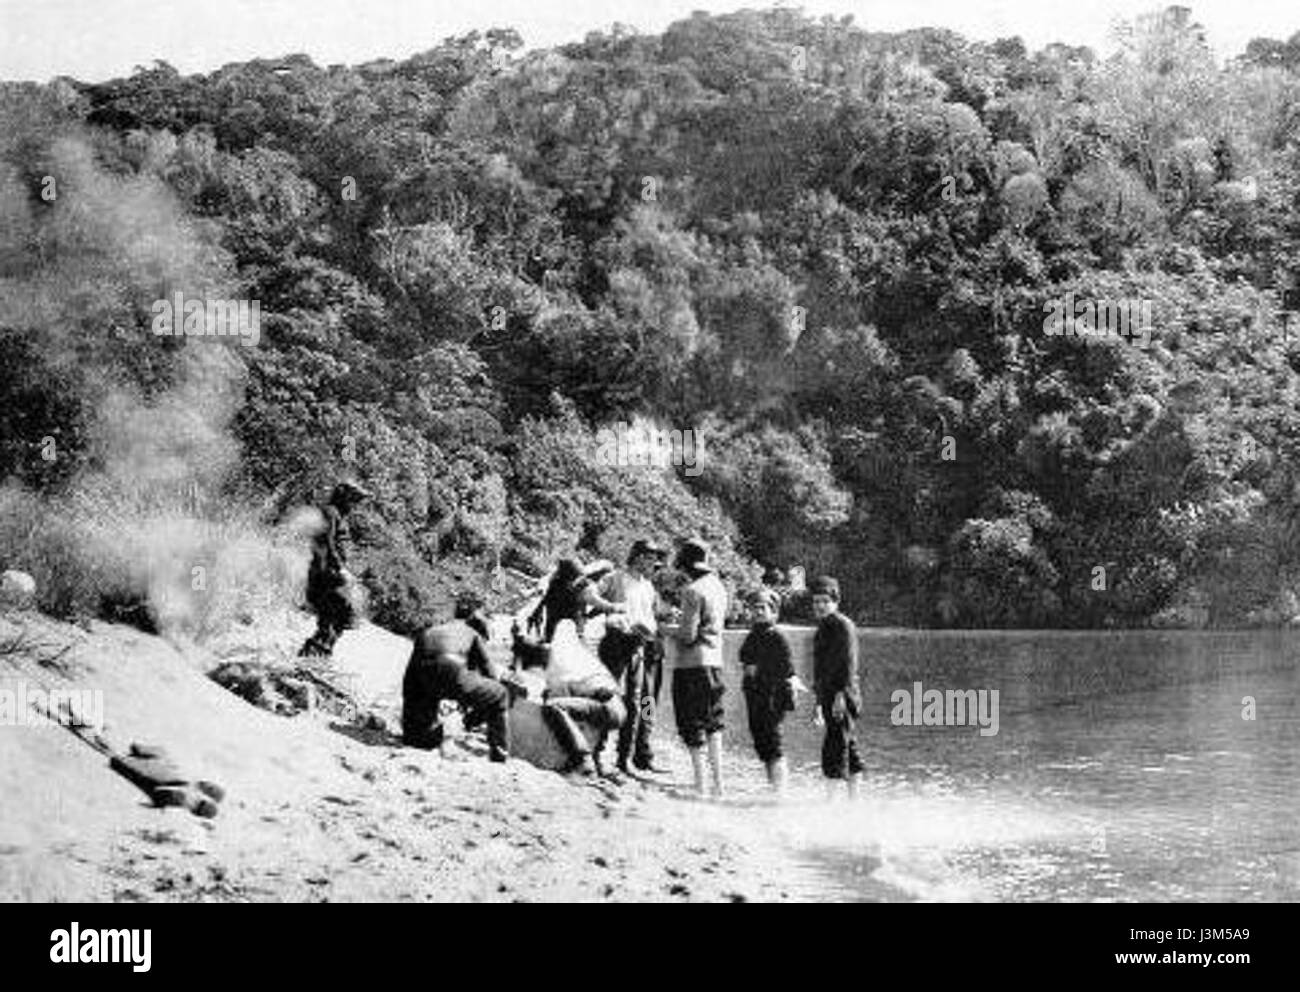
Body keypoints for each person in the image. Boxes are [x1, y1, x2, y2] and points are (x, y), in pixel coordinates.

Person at [402, 592, 515, 763]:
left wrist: (410, 716)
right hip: (452, 670)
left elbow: (410, 677)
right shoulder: (473, 633)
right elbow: (490, 674)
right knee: (500, 695)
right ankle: (499, 755)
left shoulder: (430, 631)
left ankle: (419, 735)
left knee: (423, 731)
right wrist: (476, 713)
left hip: (424, 676)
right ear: (474, 618)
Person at [515, 621, 627, 778]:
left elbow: (552, 701)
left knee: (555, 707)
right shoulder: (571, 653)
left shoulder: (558, 664)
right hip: (615, 706)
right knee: (639, 702)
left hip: (612, 707)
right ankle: (613, 759)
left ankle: (585, 759)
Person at [596, 539, 669, 776]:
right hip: (617, 643)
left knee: (641, 703)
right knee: (609, 697)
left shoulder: (648, 586)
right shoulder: (616, 578)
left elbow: (653, 616)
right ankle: (598, 752)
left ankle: (629, 756)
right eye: (650, 559)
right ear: (638, 557)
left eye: (655, 560)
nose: (654, 564)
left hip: (644, 648)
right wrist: (610, 610)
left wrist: (657, 625)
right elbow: (588, 593)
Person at [668, 538, 728, 797]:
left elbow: (688, 636)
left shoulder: (692, 591)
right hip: (715, 662)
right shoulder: (719, 587)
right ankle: (719, 785)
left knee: (691, 724)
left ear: (686, 566)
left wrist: (663, 628)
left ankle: (701, 786)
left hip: (691, 665)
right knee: (714, 724)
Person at [299, 478, 370, 658]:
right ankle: (311, 657)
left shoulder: (338, 515)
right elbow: (327, 544)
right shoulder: (331, 512)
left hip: (331, 574)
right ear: (344, 496)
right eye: (354, 499)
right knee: (334, 616)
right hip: (326, 575)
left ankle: (318, 655)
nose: (355, 504)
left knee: (341, 618)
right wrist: (340, 569)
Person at [810, 575, 863, 798]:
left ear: (835, 602)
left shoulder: (843, 625)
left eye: (825, 601)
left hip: (843, 694)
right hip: (829, 694)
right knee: (847, 745)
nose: (820, 606)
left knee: (835, 746)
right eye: (816, 601)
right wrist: (818, 702)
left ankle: (831, 803)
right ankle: (854, 801)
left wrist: (841, 696)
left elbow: (849, 664)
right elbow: (820, 669)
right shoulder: (823, 628)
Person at [740, 588, 797, 792]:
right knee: (763, 744)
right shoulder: (753, 635)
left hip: (772, 698)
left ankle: (779, 792)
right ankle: (773, 788)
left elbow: (789, 670)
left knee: (774, 744)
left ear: (773, 612)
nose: (758, 612)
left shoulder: (777, 636)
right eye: (754, 608)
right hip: (755, 696)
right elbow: (747, 662)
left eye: (762, 608)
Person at [528, 557, 625, 644]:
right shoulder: (559, 581)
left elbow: (597, 602)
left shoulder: (581, 582)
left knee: (568, 616)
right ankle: (572, 632)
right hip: (566, 608)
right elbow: (548, 595)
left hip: (570, 608)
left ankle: (575, 631)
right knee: (557, 619)